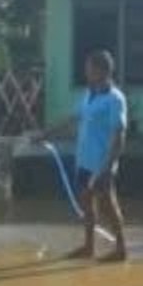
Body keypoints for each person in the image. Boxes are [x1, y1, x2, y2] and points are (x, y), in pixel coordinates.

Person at [34, 49, 128, 262]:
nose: (86, 72)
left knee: (108, 206)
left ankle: (121, 249)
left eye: (90, 69)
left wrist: (108, 168)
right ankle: (88, 247)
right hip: (84, 160)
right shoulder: (89, 94)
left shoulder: (115, 99)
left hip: (101, 164)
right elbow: (72, 118)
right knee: (86, 203)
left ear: (102, 70)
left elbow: (119, 135)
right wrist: (45, 134)